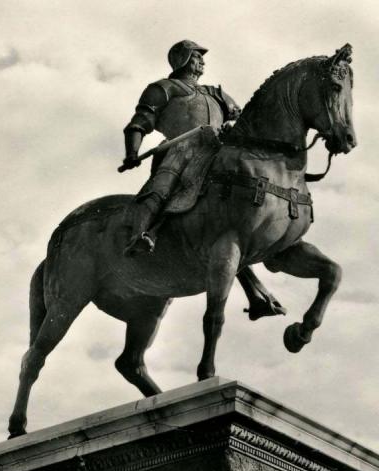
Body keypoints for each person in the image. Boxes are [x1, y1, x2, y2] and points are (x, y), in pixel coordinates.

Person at [121, 40, 285, 320]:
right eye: (196, 57)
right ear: (182, 59)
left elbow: (245, 117)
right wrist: (132, 153)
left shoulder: (216, 93)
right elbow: (139, 122)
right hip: (179, 152)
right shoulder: (163, 88)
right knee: (160, 190)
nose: (202, 62)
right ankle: (142, 235)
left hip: (218, 155)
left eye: (201, 57)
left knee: (234, 213)